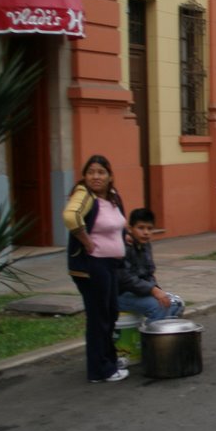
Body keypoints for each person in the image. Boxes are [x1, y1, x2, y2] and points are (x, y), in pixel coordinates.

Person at [63, 155, 129, 383]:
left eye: (101, 172)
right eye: (91, 172)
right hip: (92, 267)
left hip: (110, 265)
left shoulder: (112, 196)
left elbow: (117, 224)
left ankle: (108, 360)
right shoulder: (84, 194)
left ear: (110, 176)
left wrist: (124, 238)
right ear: (85, 176)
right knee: (99, 317)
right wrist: (86, 240)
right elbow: (71, 217)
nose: (96, 176)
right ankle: (100, 370)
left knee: (109, 314)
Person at [117, 208, 185, 322]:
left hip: (140, 292)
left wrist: (158, 290)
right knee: (160, 307)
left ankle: (159, 335)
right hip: (121, 294)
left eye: (149, 228)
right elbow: (126, 279)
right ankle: (151, 338)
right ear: (130, 228)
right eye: (141, 228)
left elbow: (149, 273)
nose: (146, 232)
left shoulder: (145, 245)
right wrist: (153, 291)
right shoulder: (124, 246)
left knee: (176, 304)